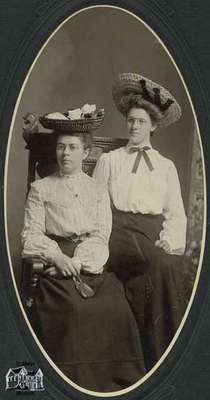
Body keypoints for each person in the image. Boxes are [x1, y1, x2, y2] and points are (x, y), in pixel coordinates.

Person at [21, 120, 146, 392]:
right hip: (55, 264)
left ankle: (116, 384)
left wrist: (78, 261)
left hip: (91, 260)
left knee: (117, 308)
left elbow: (101, 235)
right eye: (61, 147)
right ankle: (73, 384)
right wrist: (57, 257)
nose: (66, 153)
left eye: (73, 148)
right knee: (76, 309)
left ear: (86, 153)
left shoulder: (98, 190)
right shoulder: (41, 189)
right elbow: (30, 236)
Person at [93, 73, 187, 370]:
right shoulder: (110, 160)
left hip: (152, 234)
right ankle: (169, 354)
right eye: (131, 120)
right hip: (118, 231)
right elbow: (96, 206)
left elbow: (175, 212)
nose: (134, 126)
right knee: (161, 264)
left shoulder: (166, 166)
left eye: (141, 122)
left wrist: (169, 240)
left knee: (166, 262)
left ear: (154, 126)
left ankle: (152, 357)